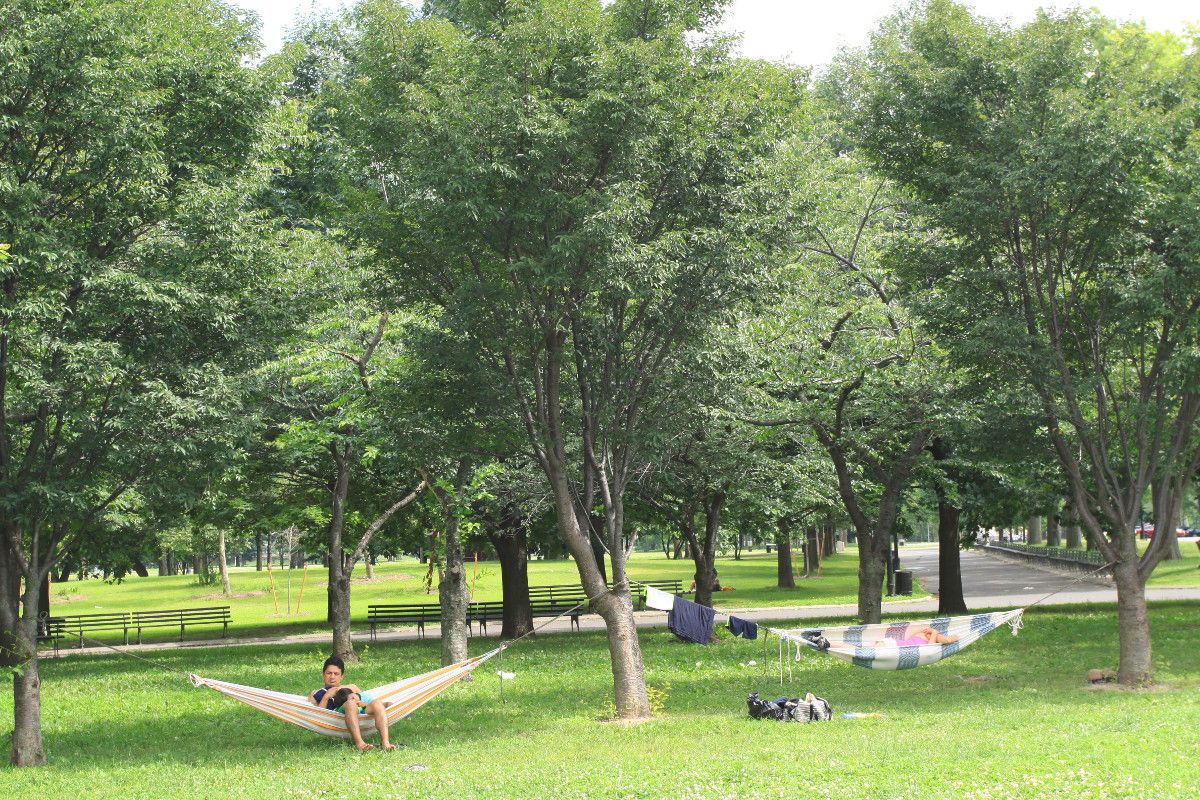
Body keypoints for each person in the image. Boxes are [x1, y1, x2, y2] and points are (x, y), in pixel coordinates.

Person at [309, 655, 396, 752]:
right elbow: (319, 716)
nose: (332, 677)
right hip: (339, 716)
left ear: (342, 676)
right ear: (323, 674)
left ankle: (385, 743)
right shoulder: (316, 694)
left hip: (361, 711)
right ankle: (360, 744)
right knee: (350, 703)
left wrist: (379, 704)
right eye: (329, 673)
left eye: (336, 674)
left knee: (377, 702)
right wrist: (326, 696)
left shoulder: (352, 687)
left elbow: (368, 700)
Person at [875, 627, 959, 647]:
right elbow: (948, 640)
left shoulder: (928, 636)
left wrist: (934, 632)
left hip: (893, 645)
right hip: (892, 644)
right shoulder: (925, 635)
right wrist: (934, 632)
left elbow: (948, 640)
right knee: (876, 649)